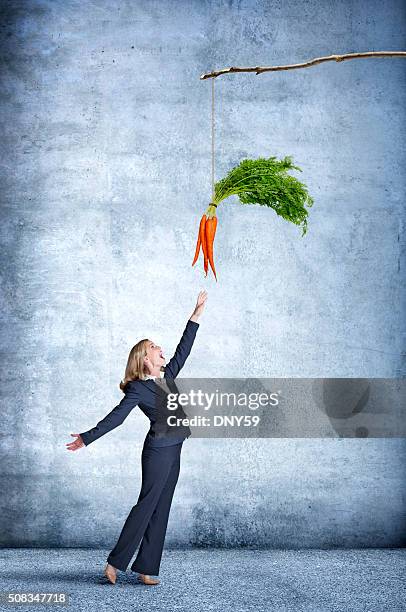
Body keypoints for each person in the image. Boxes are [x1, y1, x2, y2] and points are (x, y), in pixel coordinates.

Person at [66, 290, 207, 585]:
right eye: (154, 347)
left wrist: (195, 315)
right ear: (144, 359)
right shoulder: (138, 389)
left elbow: (184, 348)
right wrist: (87, 438)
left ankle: (146, 568)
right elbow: (116, 418)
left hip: (175, 448)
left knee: (162, 507)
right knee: (146, 505)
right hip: (158, 451)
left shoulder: (167, 376)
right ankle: (114, 564)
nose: (160, 349)